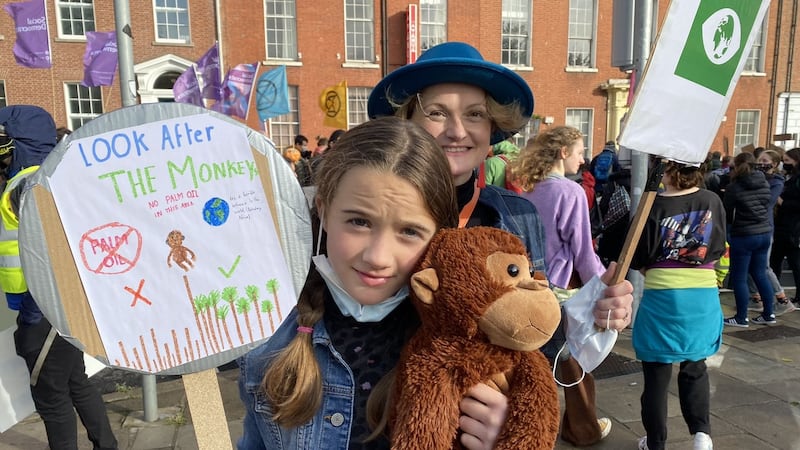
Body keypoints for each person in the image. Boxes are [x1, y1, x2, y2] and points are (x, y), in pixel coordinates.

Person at [367, 41, 634, 447]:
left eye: (475, 114)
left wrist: (592, 313)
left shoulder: (518, 215)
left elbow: (536, 339)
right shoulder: (372, 214)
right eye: (437, 112)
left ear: (492, 126)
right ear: (407, 120)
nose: (457, 131)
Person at [240, 117, 515, 449]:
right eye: (359, 222)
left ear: (440, 236)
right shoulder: (267, 339)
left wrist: (504, 440)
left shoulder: (466, 353)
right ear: (324, 211)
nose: (378, 257)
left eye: (409, 232)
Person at [0, 105, 118, 450]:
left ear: (19, 143)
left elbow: (48, 252)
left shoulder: (27, 186)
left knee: (52, 399)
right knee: (76, 382)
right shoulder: (53, 178)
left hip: (43, 311)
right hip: (65, 307)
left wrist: (36, 314)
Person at [511, 125, 612, 444]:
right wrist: (604, 283)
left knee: (535, 364)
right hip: (562, 291)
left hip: (531, 288)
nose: (583, 160)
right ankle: (582, 429)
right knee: (572, 362)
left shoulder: (529, 191)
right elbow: (583, 250)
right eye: (581, 152)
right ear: (563, 152)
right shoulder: (571, 192)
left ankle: (532, 428)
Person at [630, 161, 726, 450]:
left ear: (669, 172)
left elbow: (639, 253)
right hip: (702, 293)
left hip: (663, 294)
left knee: (657, 373)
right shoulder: (712, 200)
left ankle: (656, 443)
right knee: (695, 364)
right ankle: (702, 435)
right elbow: (719, 244)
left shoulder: (652, 205)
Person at [723, 152, 776, 327]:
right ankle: (769, 314)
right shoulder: (764, 182)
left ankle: (741, 317)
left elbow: (727, 213)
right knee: (760, 274)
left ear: (736, 166)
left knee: (739, 277)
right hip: (764, 233)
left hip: (744, 235)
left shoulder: (734, 187)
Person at [747, 149, 794, 315]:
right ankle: (756, 298)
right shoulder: (755, 178)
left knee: (764, 267)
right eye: (759, 159)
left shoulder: (777, 182)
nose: (761, 163)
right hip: (750, 226)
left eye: (765, 160)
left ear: (774, 164)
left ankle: (783, 299)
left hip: (765, 227)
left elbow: (768, 202)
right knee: (749, 266)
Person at [771, 148, 800, 309]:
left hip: (792, 228)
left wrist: (782, 202)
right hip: (782, 226)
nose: (784, 164)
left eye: (787, 161)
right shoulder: (788, 177)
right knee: (775, 262)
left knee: (795, 263)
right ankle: (777, 295)